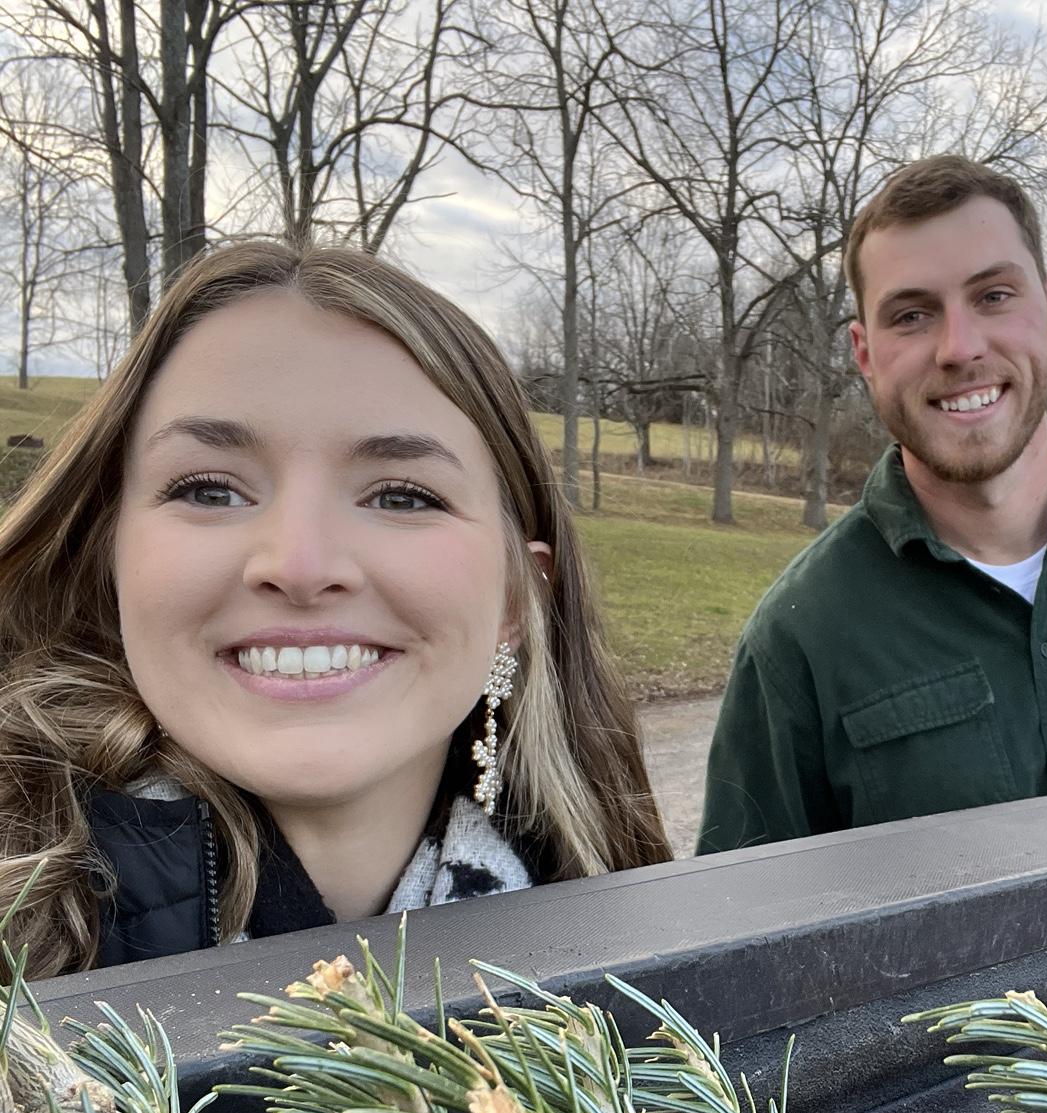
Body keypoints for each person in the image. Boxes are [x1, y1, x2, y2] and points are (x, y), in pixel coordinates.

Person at [0, 240, 670, 978]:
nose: (299, 565)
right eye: (210, 490)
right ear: (112, 557)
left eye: (401, 496)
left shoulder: (639, 968)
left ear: (518, 594)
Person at [697, 156, 1047, 855]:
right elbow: (748, 936)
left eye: (994, 296)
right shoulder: (798, 642)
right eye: (911, 315)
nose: (959, 348)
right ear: (865, 353)